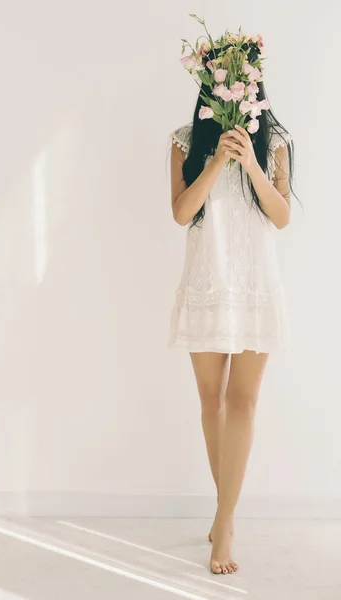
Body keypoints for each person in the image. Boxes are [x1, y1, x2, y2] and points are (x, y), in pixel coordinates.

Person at [167, 33, 296, 575]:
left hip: (254, 283)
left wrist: (253, 164)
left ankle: (224, 525)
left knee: (243, 403)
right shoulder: (182, 142)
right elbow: (180, 213)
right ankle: (227, 514)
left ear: (252, 85)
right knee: (211, 400)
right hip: (206, 282)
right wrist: (217, 161)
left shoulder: (275, 141)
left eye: (243, 76)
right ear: (209, 84)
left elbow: (281, 215)